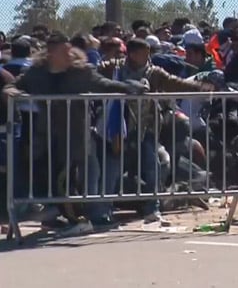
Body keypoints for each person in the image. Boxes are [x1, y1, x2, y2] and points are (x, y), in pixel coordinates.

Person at [2, 32, 145, 233]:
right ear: (51, 53)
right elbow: (12, 85)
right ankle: (54, 214)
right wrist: (14, 94)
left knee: (65, 178)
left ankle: (77, 220)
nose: (69, 54)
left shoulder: (81, 71)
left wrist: (128, 88)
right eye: (63, 51)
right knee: (45, 174)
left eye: (69, 49)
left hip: (74, 134)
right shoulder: (37, 72)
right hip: (45, 134)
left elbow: (103, 84)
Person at [96, 38, 212, 225]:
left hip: (146, 130)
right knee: (112, 170)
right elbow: (94, 74)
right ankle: (104, 210)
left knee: (154, 166)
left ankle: (152, 208)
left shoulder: (153, 73)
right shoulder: (114, 68)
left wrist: (199, 88)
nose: (147, 57)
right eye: (143, 53)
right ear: (132, 54)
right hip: (118, 130)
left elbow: (174, 83)